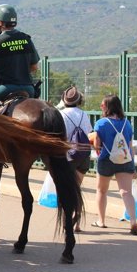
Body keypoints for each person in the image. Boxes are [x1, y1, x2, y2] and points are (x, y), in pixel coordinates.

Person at [92, 94, 137, 235]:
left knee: (101, 191)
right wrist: (133, 165)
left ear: (108, 107)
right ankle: (133, 222)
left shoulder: (101, 123)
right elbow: (130, 146)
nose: (101, 106)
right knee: (126, 192)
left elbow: (97, 145)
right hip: (125, 160)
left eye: (103, 104)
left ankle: (101, 221)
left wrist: (95, 146)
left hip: (107, 160)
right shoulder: (127, 123)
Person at [0, 4, 40, 105]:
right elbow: (34, 67)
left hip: (5, 89)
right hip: (29, 89)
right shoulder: (26, 39)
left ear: (1, 23)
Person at [59, 86, 93, 232]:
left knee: (66, 190)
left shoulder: (61, 115)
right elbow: (89, 132)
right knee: (76, 188)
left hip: (69, 155)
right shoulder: (84, 114)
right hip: (84, 155)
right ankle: (77, 219)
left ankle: (66, 220)